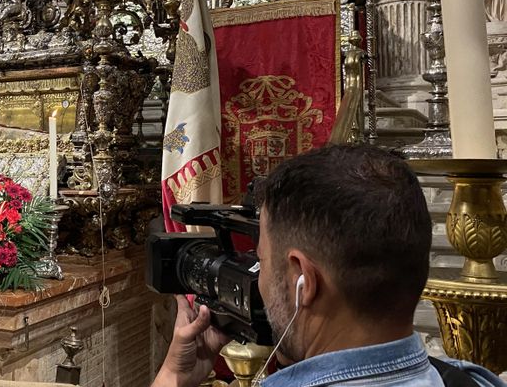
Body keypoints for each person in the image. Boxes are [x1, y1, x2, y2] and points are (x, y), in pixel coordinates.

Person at [151, 144, 507, 387]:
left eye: (261, 261)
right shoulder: (471, 379)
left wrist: (173, 376)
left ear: (303, 280)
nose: (256, 280)